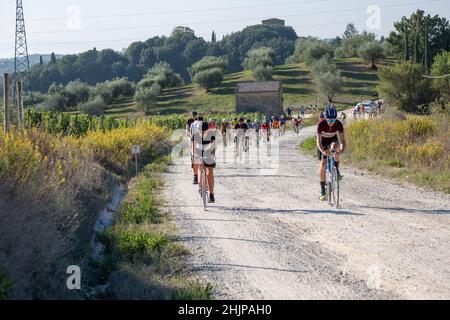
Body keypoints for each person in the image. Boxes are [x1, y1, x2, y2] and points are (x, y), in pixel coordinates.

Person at [316, 107, 346, 201]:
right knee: (323, 164)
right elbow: (318, 141)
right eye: (329, 120)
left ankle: (336, 169)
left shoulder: (338, 124)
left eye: (333, 119)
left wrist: (341, 149)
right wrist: (322, 150)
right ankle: (322, 190)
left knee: (335, 147)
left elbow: (342, 140)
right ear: (325, 118)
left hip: (332, 140)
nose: (331, 122)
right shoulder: (321, 124)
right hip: (322, 143)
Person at [192, 121, 216, 203]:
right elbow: (193, 147)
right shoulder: (195, 135)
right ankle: (197, 180)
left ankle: (211, 195)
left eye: (204, 131)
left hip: (208, 152)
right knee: (198, 165)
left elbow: (213, 147)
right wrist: (194, 155)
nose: (202, 132)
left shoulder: (211, 134)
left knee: (210, 171)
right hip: (198, 152)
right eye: (200, 131)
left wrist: (213, 155)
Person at [190, 115, 204, 185]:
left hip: (204, 144)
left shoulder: (206, 129)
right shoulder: (194, 131)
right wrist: (193, 154)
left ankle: (204, 179)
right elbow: (193, 144)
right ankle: (195, 176)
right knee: (195, 159)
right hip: (196, 143)